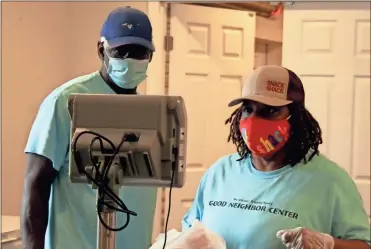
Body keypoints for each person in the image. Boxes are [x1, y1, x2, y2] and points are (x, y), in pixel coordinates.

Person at [182, 65, 371, 249]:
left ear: (296, 116)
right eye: (248, 109)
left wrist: (327, 245)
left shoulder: (331, 181)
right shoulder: (220, 173)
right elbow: (190, 232)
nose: (254, 120)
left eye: (270, 111)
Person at [21, 7, 157, 249]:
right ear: (101, 50)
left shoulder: (153, 113)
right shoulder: (66, 101)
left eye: (138, 52)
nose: (129, 60)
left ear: (150, 56)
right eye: (120, 51)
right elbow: (36, 185)